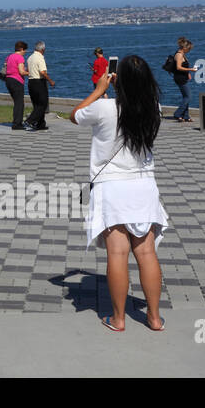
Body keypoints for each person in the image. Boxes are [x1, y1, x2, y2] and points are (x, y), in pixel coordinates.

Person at [70, 54, 169, 333]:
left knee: (117, 252)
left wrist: (99, 89)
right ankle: (154, 318)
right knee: (146, 252)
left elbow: (74, 115)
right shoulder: (155, 108)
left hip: (112, 188)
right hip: (144, 186)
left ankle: (118, 318)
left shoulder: (103, 108)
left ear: (118, 80)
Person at [24, 41, 55, 130]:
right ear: (42, 49)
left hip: (31, 82)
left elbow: (28, 70)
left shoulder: (30, 58)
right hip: (39, 82)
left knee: (37, 104)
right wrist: (50, 81)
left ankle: (40, 124)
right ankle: (30, 120)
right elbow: (42, 72)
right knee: (43, 104)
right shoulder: (40, 58)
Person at [3, 41, 28, 130]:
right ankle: (17, 124)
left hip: (8, 80)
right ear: (21, 49)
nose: (25, 52)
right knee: (19, 103)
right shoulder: (20, 58)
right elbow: (21, 72)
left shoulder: (9, 57)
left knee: (17, 102)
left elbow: (8, 67)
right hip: (16, 81)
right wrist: (30, 72)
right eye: (25, 50)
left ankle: (16, 122)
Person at [169, 37, 196, 122]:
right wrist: (191, 70)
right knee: (188, 96)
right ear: (184, 48)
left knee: (185, 96)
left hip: (183, 77)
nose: (189, 50)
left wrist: (188, 73)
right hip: (180, 78)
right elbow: (179, 67)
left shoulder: (182, 54)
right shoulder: (179, 55)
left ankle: (186, 116)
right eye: (189, 49)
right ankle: (177, 114)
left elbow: (184, 65)